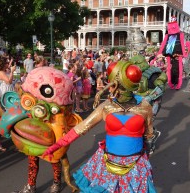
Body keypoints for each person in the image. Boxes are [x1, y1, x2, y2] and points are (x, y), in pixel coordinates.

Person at [43, 60, 156, 192]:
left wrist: (146, 159)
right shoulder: (106, 106)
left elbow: (149, 134)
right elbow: (82, 127)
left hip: (135, 164)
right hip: (108, 162)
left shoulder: (144, 107)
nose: (111, 89)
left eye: (114, 86)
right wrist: (57, 145)